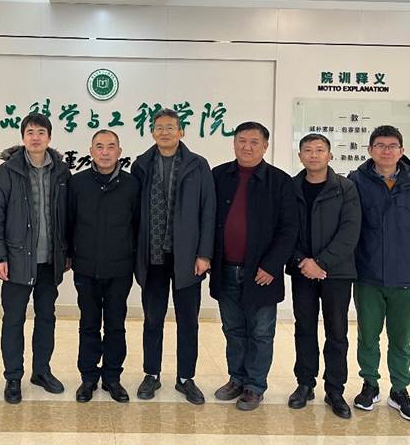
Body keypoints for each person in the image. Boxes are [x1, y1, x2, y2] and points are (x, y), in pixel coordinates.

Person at [349, 125, 410, 421]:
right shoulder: (356, 181)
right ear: (370, 150)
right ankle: (369, 385)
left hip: (406, 274)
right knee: (368, 336)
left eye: (392, 146)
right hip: (368, 274)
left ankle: (399, 390)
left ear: (401, 151)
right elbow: (349, 224)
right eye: (380, 145)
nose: (386, 151)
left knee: (401, 339)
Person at [210, 121, 298, 411]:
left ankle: (255, 386)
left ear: (265, 146)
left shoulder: (280, 181)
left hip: (262, 273)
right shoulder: (218, 176)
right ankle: (236, 379)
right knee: (233, 329)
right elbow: (207, 219)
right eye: (241, 141)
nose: (247, 147)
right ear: (234, 143)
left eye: (254, 142)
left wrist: (272, 266)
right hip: (225, 269)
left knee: (260, 333)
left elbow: (289, 229)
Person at [0, 112, 71, 404]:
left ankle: (41, 371)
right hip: (16, 261)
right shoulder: (7, 171)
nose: (36, 137)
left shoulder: (61, 171)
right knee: (14, 320)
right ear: (23, 137)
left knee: (46, 318)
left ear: (49, 137)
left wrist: (67, 252)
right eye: (30, 132)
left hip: (50, 261)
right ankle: (13, 376)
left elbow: (69, 215)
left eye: (41, 132)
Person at [131, 108, 215, 405]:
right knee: (153, 319)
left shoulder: (198, 165)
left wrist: (204, 253)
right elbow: (133, 214)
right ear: (152, 132)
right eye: (159, 127)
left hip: (188, 257)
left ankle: (185, 378)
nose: (164, 132)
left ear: (181, 132)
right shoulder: (141, 165)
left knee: (188, 320)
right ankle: (151, 373)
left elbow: (208, 211)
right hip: (152, 256)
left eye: (170, 127)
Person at [287, 133, 360, 419]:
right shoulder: (291, 187)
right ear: (300, 156)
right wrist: (302, 261)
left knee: (337, 331)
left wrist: (321, 263)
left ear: (330, 155)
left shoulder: (346, 188)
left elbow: (350, 231)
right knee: (304, 327)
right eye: (308, 150)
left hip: (337, 272)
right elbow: (285, 229)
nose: (314, 155)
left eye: (320, 150)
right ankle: (305, 384)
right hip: (302, 270)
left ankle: (335, 389)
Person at [68, 130, 139, 403]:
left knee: (115, 326)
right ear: (91, 151)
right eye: (99, 146)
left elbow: (137, 225)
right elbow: (69, 222)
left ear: (119, 151)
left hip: (120, 269)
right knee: (88, 325)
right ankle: (88, 378)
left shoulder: (132, 185)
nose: (105, 152)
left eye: (111, 146)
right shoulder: (77, 183)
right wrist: (70, 256)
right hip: (85, 268)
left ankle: (112, 378)